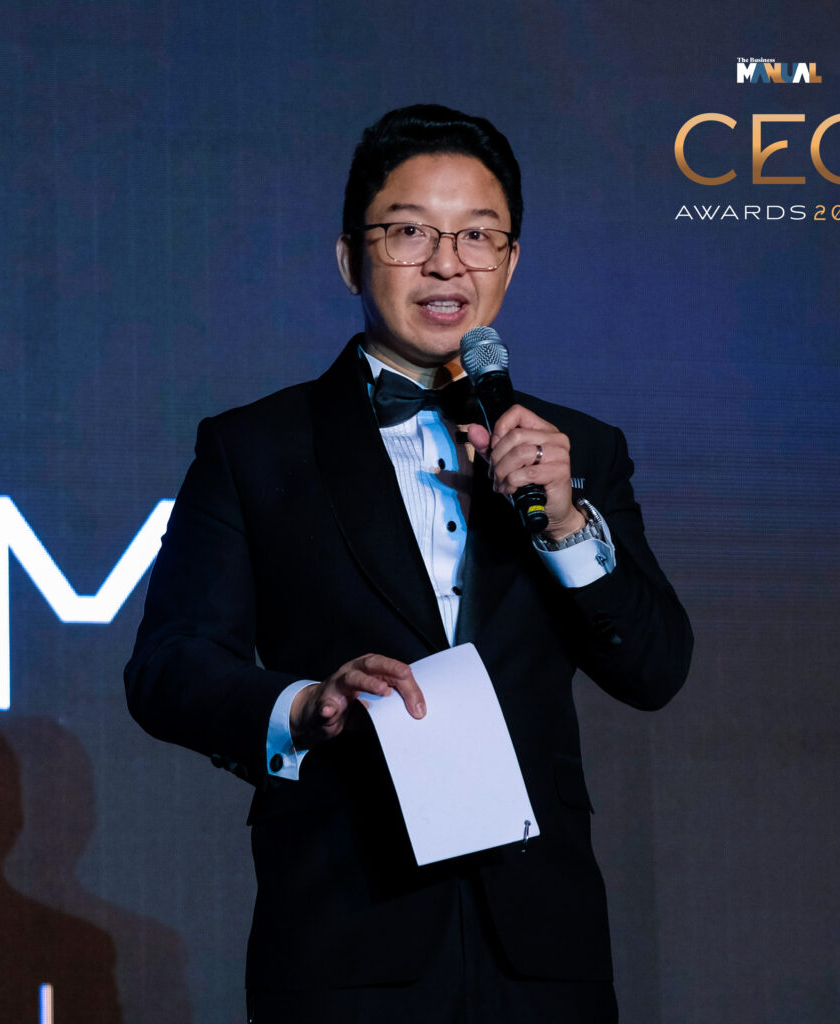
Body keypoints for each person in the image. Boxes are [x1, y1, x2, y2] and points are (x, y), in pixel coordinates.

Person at [125, 104, 692, 1023]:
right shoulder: (255, 448)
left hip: (543, 949)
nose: (446, 263)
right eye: (410, 232)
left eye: (477, 235)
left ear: (511, 262)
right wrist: (305, 705)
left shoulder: (578, 450)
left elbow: (656, 668)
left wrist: (564, 524)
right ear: (351, 258)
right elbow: (168, 668)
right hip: (345, 934)